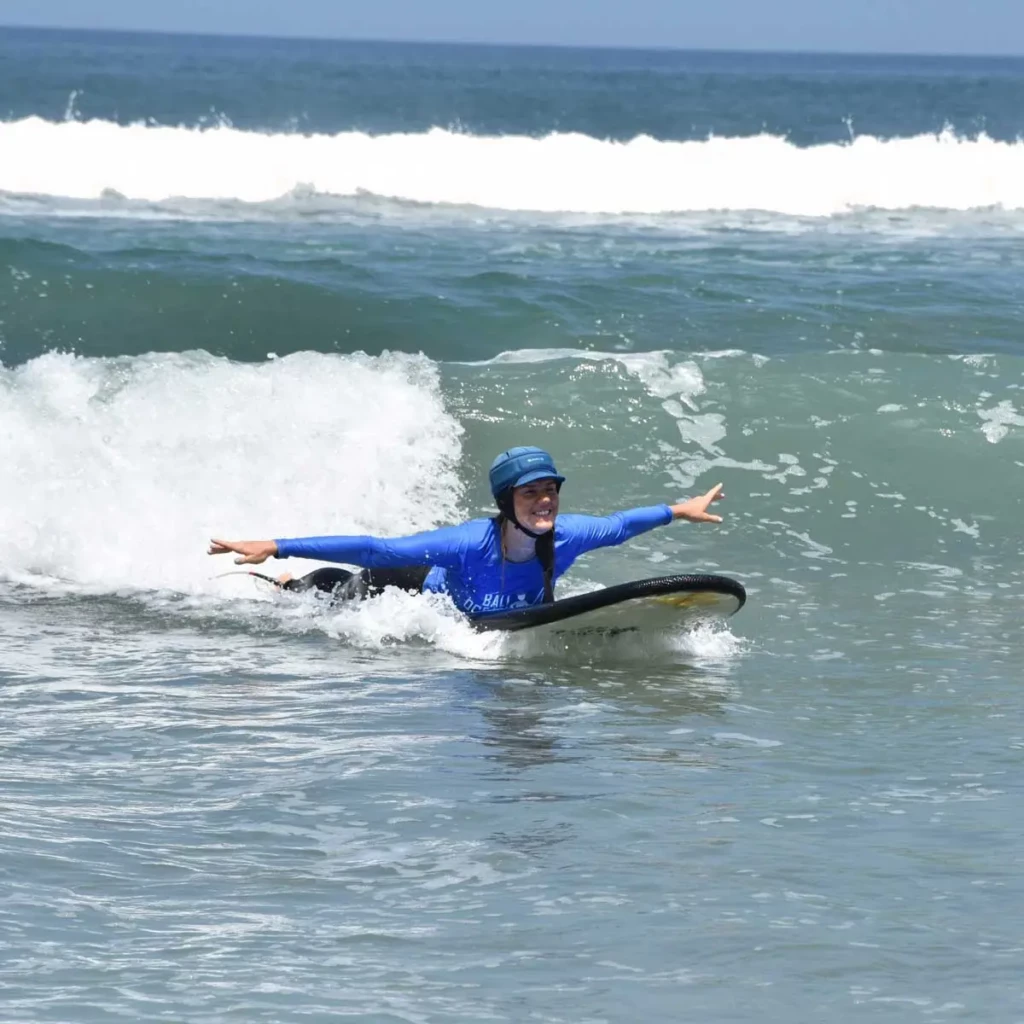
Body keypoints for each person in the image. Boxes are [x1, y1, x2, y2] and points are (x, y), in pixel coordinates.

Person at [208, 446, 724, 618]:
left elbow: (620, 525)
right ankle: (289, 584)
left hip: (496, 612)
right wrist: (276, 547)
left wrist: (679, 509)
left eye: (551, 490)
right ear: (506, 502)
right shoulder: (467, 542)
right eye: (530, 493)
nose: (545, 501)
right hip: (409, 585)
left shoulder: (570, 534)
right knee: (336, 590)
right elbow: (377, 548)